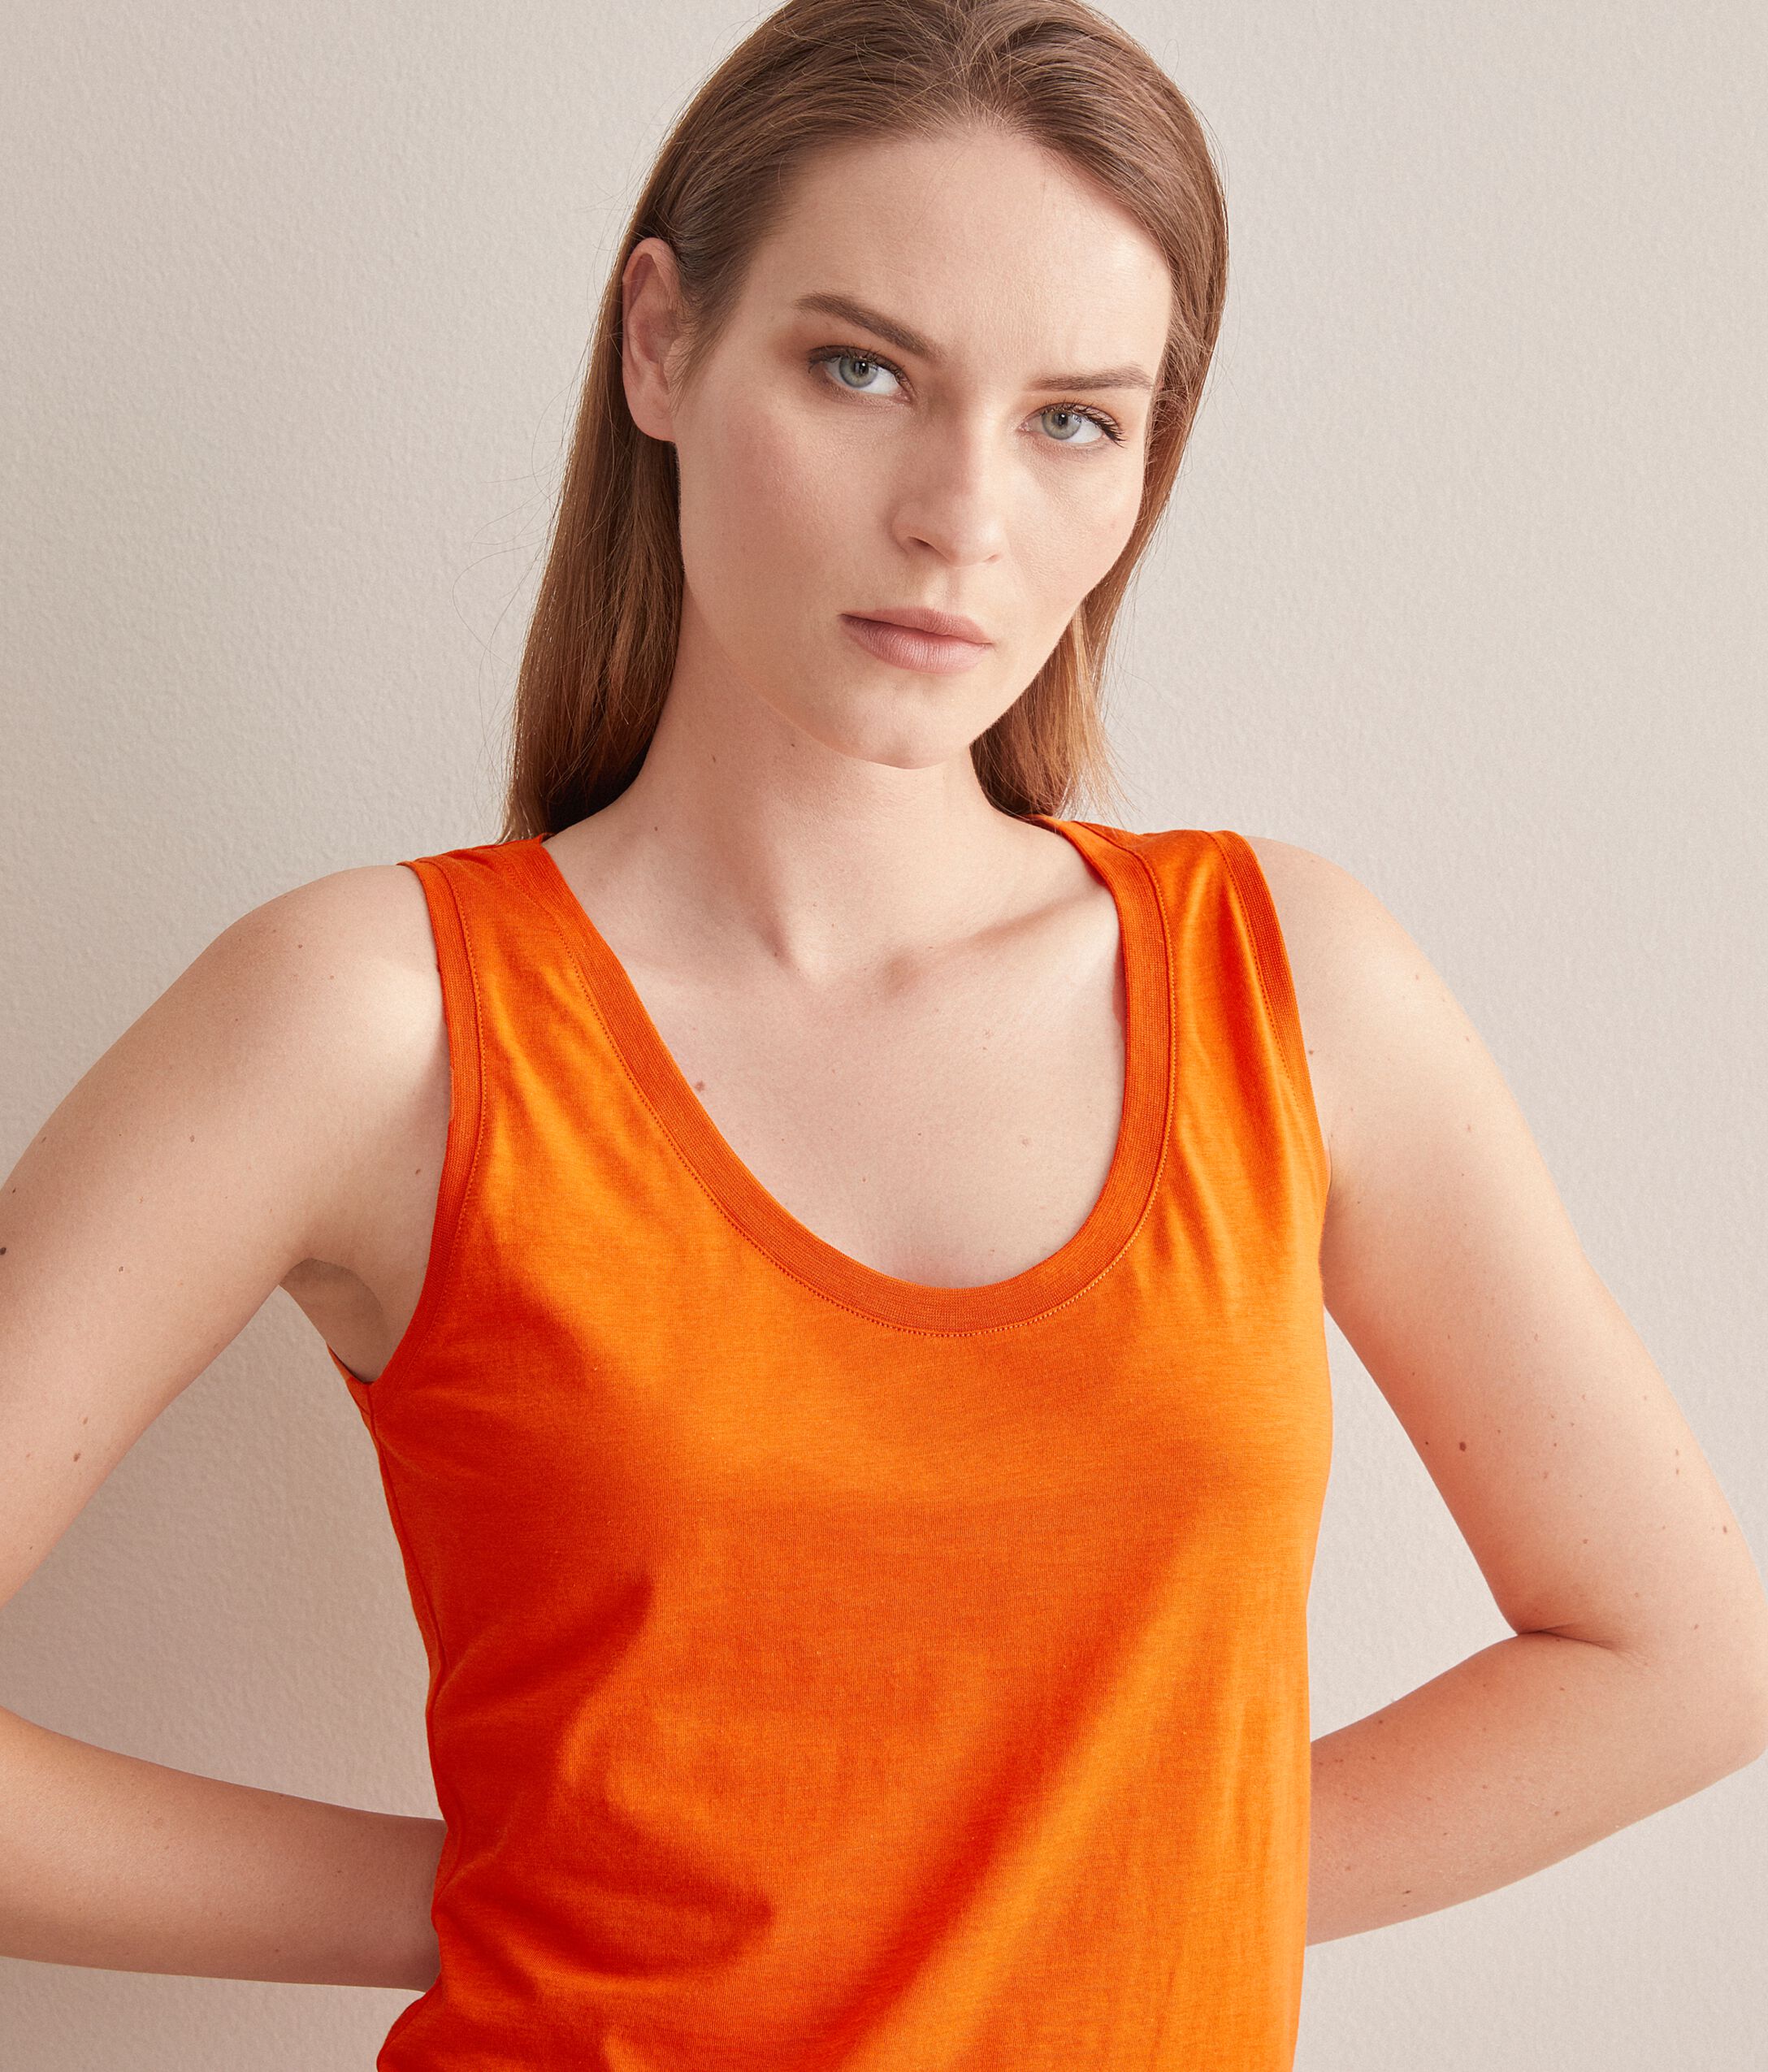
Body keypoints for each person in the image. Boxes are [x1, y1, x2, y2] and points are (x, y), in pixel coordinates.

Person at [3, 0, 1766, 2065]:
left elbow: (1672, 1657)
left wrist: (1090, 1877)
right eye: (861, 369)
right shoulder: (368, 1024)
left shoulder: (1284, 985)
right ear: (660, 343)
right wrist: (490, 1884)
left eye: (1072, 419)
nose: (958, 515)